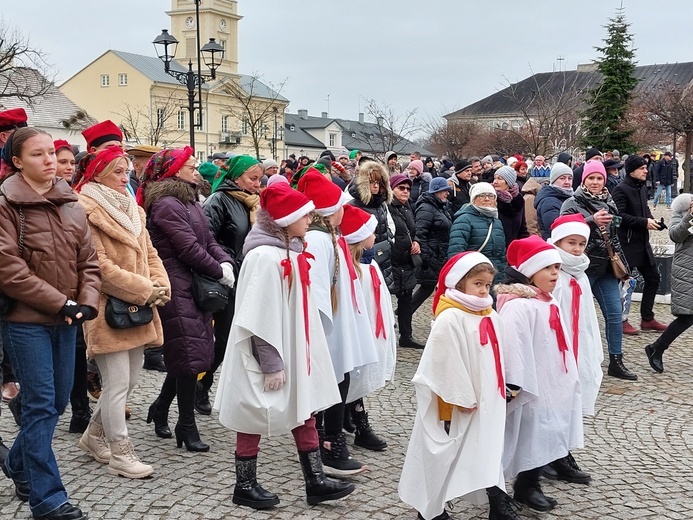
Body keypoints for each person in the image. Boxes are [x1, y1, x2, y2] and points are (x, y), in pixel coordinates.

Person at [213, 184, 354, 509]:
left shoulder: (290, 251)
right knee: (253, 412)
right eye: (303, 214)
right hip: (268, 354)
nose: (309, 219)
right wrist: (271, 362)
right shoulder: (265, 257)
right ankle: (244, 486)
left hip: (293, 350)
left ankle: (315, 481)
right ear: (284, 219)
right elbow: (257, 315)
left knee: (303, 408)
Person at [0, 127, 101, 520]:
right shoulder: (7, 203)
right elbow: (9, 269)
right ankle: (48, 498)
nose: (48, 160)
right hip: (26, 320)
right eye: (38, 154)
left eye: (52, 153)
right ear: (18, 161)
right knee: (42, 405)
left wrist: (86, 303)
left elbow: (88, 262)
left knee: (57, 401)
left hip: (69, 318)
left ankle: (17, 463)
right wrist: (63, 302)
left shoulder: (70, 202)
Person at [399, 252, 521, 520]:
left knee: (486, 448)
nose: (483, 290)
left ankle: (496, 503)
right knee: (446, 453)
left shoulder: (490, 315)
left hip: (488, 400)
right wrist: (461, 397)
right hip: (456, 405)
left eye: (487, 285)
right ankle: (430, 509)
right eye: (477, 284)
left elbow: (499, 356)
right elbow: (442, 363)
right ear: (460, 283)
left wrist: (507, 385)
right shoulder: (450, 317)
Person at [74, 146, 169, 479]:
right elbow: (98, 265)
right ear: (98, 172)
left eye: (127, 170)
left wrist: (160, 284)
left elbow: (151, 253)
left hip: (138, 306)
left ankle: (92, 436)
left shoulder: (133, 208)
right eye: (117, 170)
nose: (125, 176)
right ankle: (120, 453)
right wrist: (145, 290)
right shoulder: (85, 207)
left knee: (128, 381)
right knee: (115, 384)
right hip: (106, 308)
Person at [139, 147, 234, 452]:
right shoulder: (166, 204)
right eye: (190, 166)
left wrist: (225, 262)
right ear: (174, 171)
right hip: (174, 284)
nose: (196, 171)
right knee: (188, 353)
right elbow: (188, 248)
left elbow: (208, 240)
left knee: (191, 353)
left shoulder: (188, 200)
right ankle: (186, 425)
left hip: (191, 284)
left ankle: (161, 407)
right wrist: (218, 269)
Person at [496, 236, 583, 513]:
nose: (556, 274)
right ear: (530, 271)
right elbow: (513, 347)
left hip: (552, 379)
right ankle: (516, 487)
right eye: (548, 268)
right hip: (530, 383)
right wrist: (515, 383)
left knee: (545, 429)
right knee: (525, 432)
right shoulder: (519, 305)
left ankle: (529, 482)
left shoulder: (547, 301)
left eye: (558, 268)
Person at [298, 171, 376, 476]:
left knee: (338, 380)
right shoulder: (318, 240)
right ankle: (329, 444)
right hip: (328, 327)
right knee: (332, 383)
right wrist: (320, 332)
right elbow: (317, 290)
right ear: (331, 210)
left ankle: (325, 441)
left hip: (337, 322)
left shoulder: (329, 236)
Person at [560, 161, 637, 380]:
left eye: (599, 178)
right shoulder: (572, 202)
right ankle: (572, 361)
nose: (595, 182)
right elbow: (563, 229)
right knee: (576, 316)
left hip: (606, 268)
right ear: (583, 180)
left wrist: (625, 268)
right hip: (582, 268)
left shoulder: (609, 202)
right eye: (591, 178)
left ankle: (616, 360)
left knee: (614, 315)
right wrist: (590, 220)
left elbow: (614, 238)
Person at [199, 156, 261, 415]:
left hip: (246, 278)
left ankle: (204, 385)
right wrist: (227, 263)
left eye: (259, 178)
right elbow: (206, 238)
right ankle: (198, 386)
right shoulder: (218, 201)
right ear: (236, 178)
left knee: (229, 341)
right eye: (252, 178)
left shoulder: (253, 204)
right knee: (217, 339)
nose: (258, 184)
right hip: (224, 278)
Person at [546, 214, 602, 483]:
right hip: (557, 349)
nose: (577, 249)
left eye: (582, 243)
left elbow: (587, 317)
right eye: (571, 243)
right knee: (552, 402)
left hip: (577, 347)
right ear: (558, 241)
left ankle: (560, 453)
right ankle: (552, 457)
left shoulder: (580, 274)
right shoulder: (552, 273)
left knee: (569, 402)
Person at [341, 205, 396, 452]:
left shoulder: (370, 265)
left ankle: (354, 420)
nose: (376, 237)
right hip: (355, 333)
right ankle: (357, 426)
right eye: (372, 233)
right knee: (352, 374)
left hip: (372, 331)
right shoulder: (352, 269)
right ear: (359, 238)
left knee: (360, 374)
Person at [612, 155, 668, 334]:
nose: (646, 171)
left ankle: (647, 318)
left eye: (646, 168)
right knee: (625, 283)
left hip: (642, 243)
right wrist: (643, 222)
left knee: (653, 278)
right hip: (627, 243)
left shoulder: (642, 188)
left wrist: (653, 221)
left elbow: (645, 209)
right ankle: (621, 320)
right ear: (632, 170)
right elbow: (618, 217)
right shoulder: (620, 189)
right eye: (642, 168)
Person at [644, 192, 693, 372]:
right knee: (687, 316)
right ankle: (657, 348)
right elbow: (675, 235)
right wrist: (691, 216)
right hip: (687, 269)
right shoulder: (682, 208)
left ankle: (656, 348)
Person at [388, 174, 425, 349]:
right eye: (401, 188)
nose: (405, 191)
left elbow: (413, 230)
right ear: (392, 189)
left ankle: (406, 336)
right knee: (386, 300)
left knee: (406, 301)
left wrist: (416, 241)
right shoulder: (387, 208)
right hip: (391, 262)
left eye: (408, 189)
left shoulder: (408, 207)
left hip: (406, 262)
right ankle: (386, 335)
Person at [448, 182, 507, 285]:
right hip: (474, 277)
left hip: (495, 277)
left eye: (491, 196)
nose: (487, 199)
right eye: (482, 195)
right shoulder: (464, 219)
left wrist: (503, 275)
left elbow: (501, 254)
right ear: (474, 199)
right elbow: (456, 251)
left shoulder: (496, 221)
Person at [412, 177, 452, 313]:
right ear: (436, 191)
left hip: (439, 254)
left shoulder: (441, 206)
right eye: (444, 190)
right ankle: (404, 312)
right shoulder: (426, 208)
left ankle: (403, 312)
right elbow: (420, 233)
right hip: (431, 255)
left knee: (428, 288)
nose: (447, 192)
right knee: (427, 287)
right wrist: (426, 257)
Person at [535, 162, 575, 240]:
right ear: (553, 180)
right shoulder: (549, 201)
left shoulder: (570, 197)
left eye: (569, 178)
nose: (567, 182)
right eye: (562, 178)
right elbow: (557, 229)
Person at [493, 166, 529, 247]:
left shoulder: (518, 200)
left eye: (499, 179)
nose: (495, 182)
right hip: (496, 249)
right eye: (495, 178)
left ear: (509, 182)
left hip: (514, 248)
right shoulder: (490, 199)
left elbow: (522, 229)